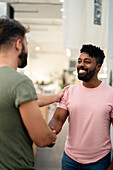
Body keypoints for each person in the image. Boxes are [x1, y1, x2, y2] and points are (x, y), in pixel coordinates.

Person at [0, 16, 66, 170]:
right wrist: (52, 134)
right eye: (26, 44)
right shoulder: (19, 82)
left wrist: (55, 97)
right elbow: (42, 139)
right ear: (18, 44)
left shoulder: (13, 86)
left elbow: (17, 101)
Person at [48, 44, 113, 170]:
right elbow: (57, 119)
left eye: (87, 62)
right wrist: (50, 133)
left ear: (98, 67)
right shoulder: (69, 91)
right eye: (79, 61)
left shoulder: (110, 94)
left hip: (99, 161)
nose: (81, 65)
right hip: (70, 159)